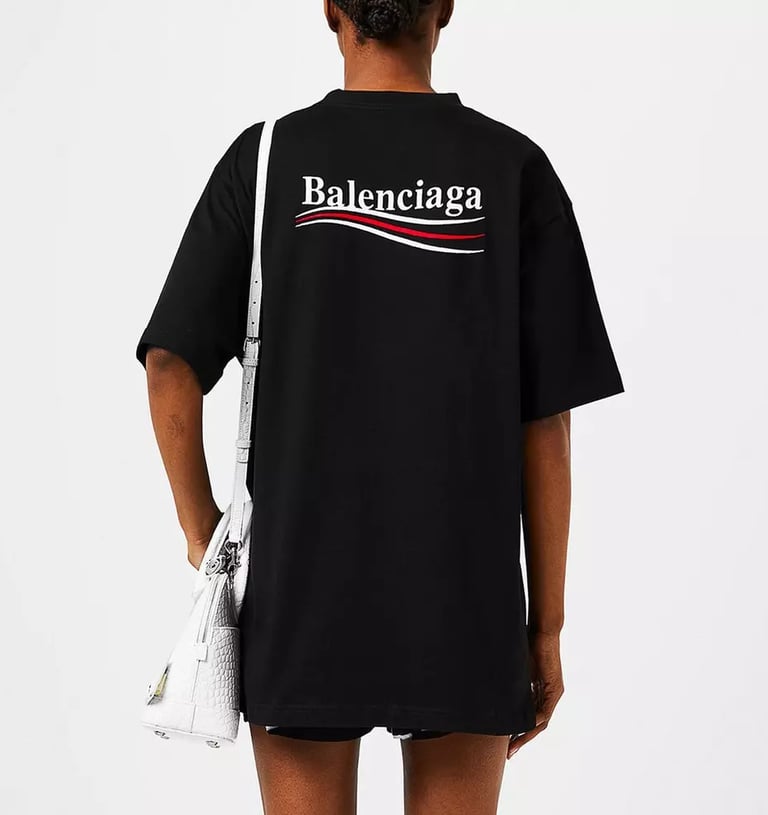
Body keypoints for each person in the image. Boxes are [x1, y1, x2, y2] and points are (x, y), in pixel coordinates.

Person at [135, 1, 624, 812]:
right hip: (466, 600)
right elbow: (547, 426)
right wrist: (546, 627)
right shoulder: (512, 168)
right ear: (446, 8)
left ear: (332, 8)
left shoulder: (267, 162)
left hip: (300, 592)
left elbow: (168, 364)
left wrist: (202, 533)